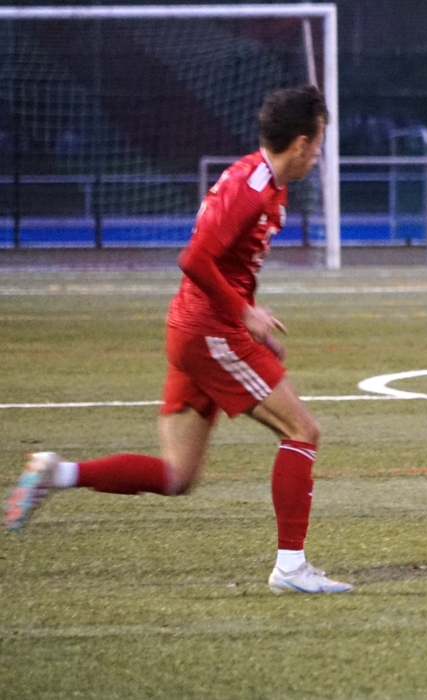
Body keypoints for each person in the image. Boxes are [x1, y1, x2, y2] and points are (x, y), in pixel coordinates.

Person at [3, 86, 352, 595]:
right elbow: (193, 259)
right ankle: (291, 569)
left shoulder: (265, 181)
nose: (318, 154)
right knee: (302, 430)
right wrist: (243, 315)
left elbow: (229, 266)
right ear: (300, 143)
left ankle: (58, 473)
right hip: (209, 332)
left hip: (198, 330)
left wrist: (250, 319)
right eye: (318, 143)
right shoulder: (250, 189)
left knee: (176, 475)